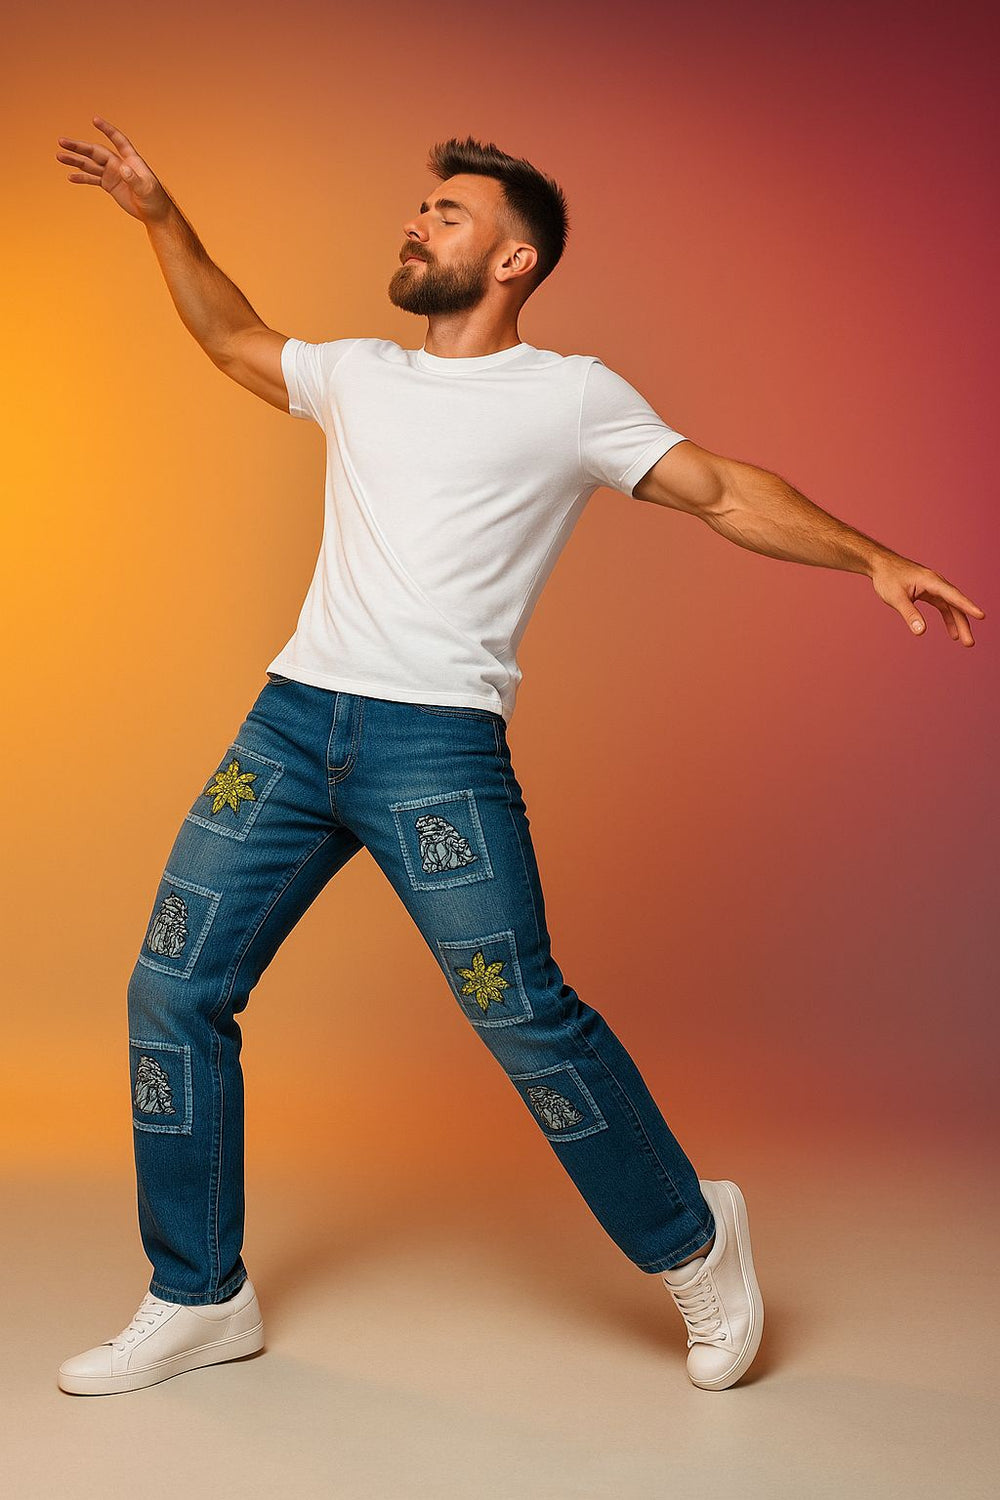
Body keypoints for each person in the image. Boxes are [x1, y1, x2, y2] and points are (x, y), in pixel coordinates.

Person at [53, 119, 984, 1399]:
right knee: (171, 991)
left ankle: (694, 1241)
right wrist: (160, 215)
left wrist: (869, 555)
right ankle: (197, 1294)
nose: (415, 221)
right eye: (421, 206)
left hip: (433, 749)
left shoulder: (571, 396)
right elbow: (230, 337)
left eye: (446, 211)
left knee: (523, 1017)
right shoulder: (360, 373)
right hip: (289, 726)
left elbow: (720, 490)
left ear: (513, 260)